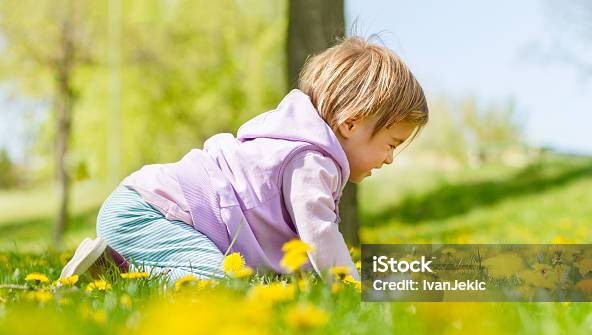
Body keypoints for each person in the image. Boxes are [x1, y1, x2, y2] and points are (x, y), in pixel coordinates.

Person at [60, 36, 429, 282]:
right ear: (351, 123)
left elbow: (289, 249)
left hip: (142, 206)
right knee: (220, 285)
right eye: (391, 143)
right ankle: (109, 270)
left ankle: (109, 265)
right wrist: (349, 288)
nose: (392, 158)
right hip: (150, 211)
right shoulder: (312, 160)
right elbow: (318, 234)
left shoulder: (292, 144)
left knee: (234, 279)